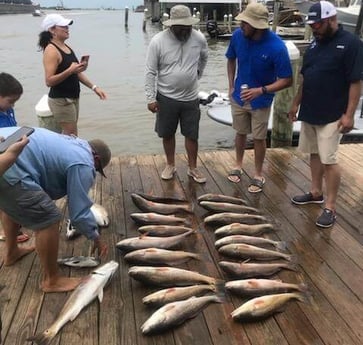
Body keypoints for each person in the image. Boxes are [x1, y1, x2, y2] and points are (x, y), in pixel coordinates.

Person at [0, 127, 111, 292]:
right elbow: (79, 214)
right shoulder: (84, 162)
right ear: (96, 158)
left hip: (5, 150)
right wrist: (95, 237)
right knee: (49, 219)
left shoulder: (72, 142)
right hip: (11, 167)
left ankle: (11, 253)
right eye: (96, 168)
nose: (93, 171)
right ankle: (51, 280)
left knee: (13, 203)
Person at [288, 1, 363, 228]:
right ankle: (315, 191)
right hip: (310, 111)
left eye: (318, 24)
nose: (314, 28)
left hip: (333, 114)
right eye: (312, 24)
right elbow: (305, 77)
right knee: (313, 153)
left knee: (329, 160)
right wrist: (295, 104)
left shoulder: (351, 44)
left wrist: (349, 115)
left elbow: (356, 82)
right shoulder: (314, 44)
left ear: (332, 20)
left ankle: (330, 206)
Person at [225, 3, 293, 192]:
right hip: (238, 95)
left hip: (261, 100)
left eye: (245, 23)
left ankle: (258, 174)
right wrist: (231, 85)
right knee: (239, 132)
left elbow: (287, 79)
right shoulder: (238, 36)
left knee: (259, 138)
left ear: (256, 25)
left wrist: (261, 90)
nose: (241, 26)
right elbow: (230, 58)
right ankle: (237, 166)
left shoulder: (277, 46)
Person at [145, 5, 208, 183]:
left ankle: (193, 168)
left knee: (192, 135)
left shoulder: (199, 37)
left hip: (191, 97)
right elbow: (150, 71)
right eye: (181, 26)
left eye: (187, 25)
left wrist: (198, 74)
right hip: (166, 96)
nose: (185, 29)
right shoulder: (158, 41)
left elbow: (204, 57)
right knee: (167, 133)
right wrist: (150, 98)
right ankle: (170, 164)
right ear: (171, 25)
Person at [38, 13, 107, 136]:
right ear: (52, 30)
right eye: (63, 26)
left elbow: (75, 73)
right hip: (61, 100)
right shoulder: (51, 50)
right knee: (71, 135)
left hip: (73, 97)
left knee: (71, 135)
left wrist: (94, 87)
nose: (67, 28)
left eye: (67, 26)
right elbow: (49, 81)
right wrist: (70, 71)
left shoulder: (65, 46)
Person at [0, 72, 30, 243]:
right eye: (10, 101)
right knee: (6, 199)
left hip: (8, 154)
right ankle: (8, 233)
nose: (12, 105)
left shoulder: (7, 109)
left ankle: (12, 228)